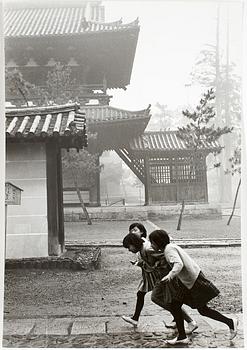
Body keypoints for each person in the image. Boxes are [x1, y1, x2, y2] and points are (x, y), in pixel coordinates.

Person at [149, 229, 238, 345]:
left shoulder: (168, 250)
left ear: (158, 242)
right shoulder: (170, 247)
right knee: (197, 309)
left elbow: (179, 264)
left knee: (181, 306)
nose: (151, 245)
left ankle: (183, 336)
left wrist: (170, 276)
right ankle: (230, 322)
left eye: (152, 242)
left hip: (193, 281)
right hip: (190, 280)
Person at [121, 229, 198, 335]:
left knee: (161, 299)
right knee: (167, 301)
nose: (129, 250)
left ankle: (189, 321)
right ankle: (183, 320)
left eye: (129, 247)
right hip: (162, 278)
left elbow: (165, 255)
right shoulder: (143, 250)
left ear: (134, 243)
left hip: (167, 278)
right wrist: (141, 263)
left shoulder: (148, 249)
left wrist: (159, 265)